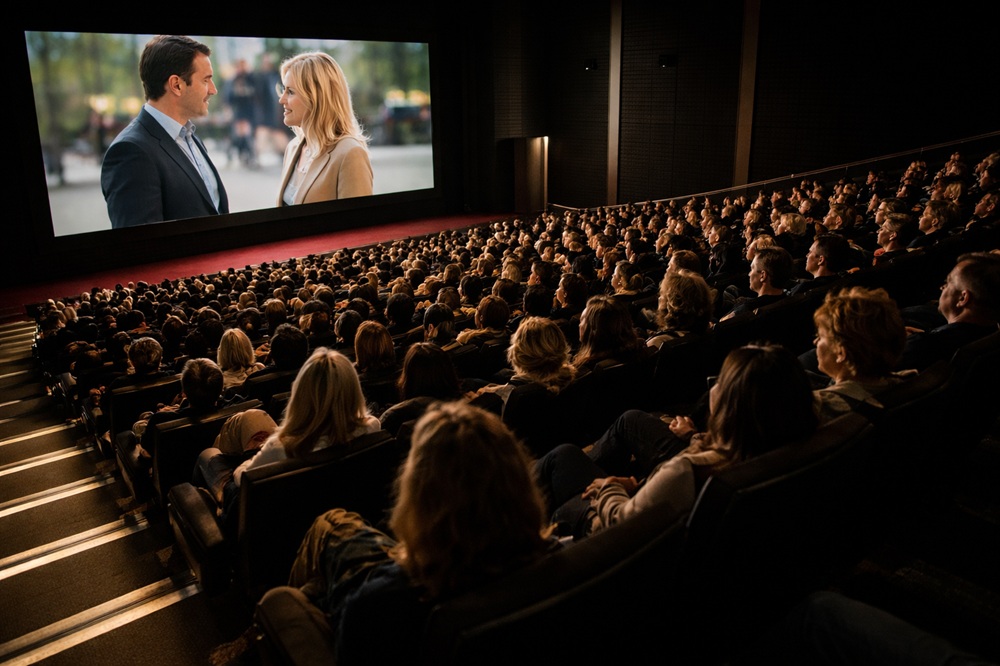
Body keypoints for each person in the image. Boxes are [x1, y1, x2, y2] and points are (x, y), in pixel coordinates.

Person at [286, 401, 555, 665]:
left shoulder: (376, 605)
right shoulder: (558, 557)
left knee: (280, 601)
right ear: (520, 481)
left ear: (418, 496)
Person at [536, 344, 818, 540]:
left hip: (607, 533)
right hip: (646, 509)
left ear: (735, 408)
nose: (713, 385)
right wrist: (637, 485)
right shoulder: (782, 445)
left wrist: (608, 489)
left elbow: (622, 525)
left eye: (723, 381)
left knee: (560, 459)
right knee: (566, 454)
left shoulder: (686, 471)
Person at [194, 348, 380, 509]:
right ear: (353, 389)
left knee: (208, 455)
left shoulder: (281, 447)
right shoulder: (372, 426)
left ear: (302, 395)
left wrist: (247, 460)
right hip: (327, 505)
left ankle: (211, 511)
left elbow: (242, 478)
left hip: (254, 512)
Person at [101, 35, 229, 229]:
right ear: (176, 85)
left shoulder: (190, 137)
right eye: (206, 80)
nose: (213, 90)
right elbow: (140, 247)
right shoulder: (130, 152)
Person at [276, 52, 373, 205]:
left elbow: (357, 224)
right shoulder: (292, 148)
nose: (282, 99)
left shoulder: (350, 153)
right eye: (284, 90)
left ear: (316, 98)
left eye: (290, 91)